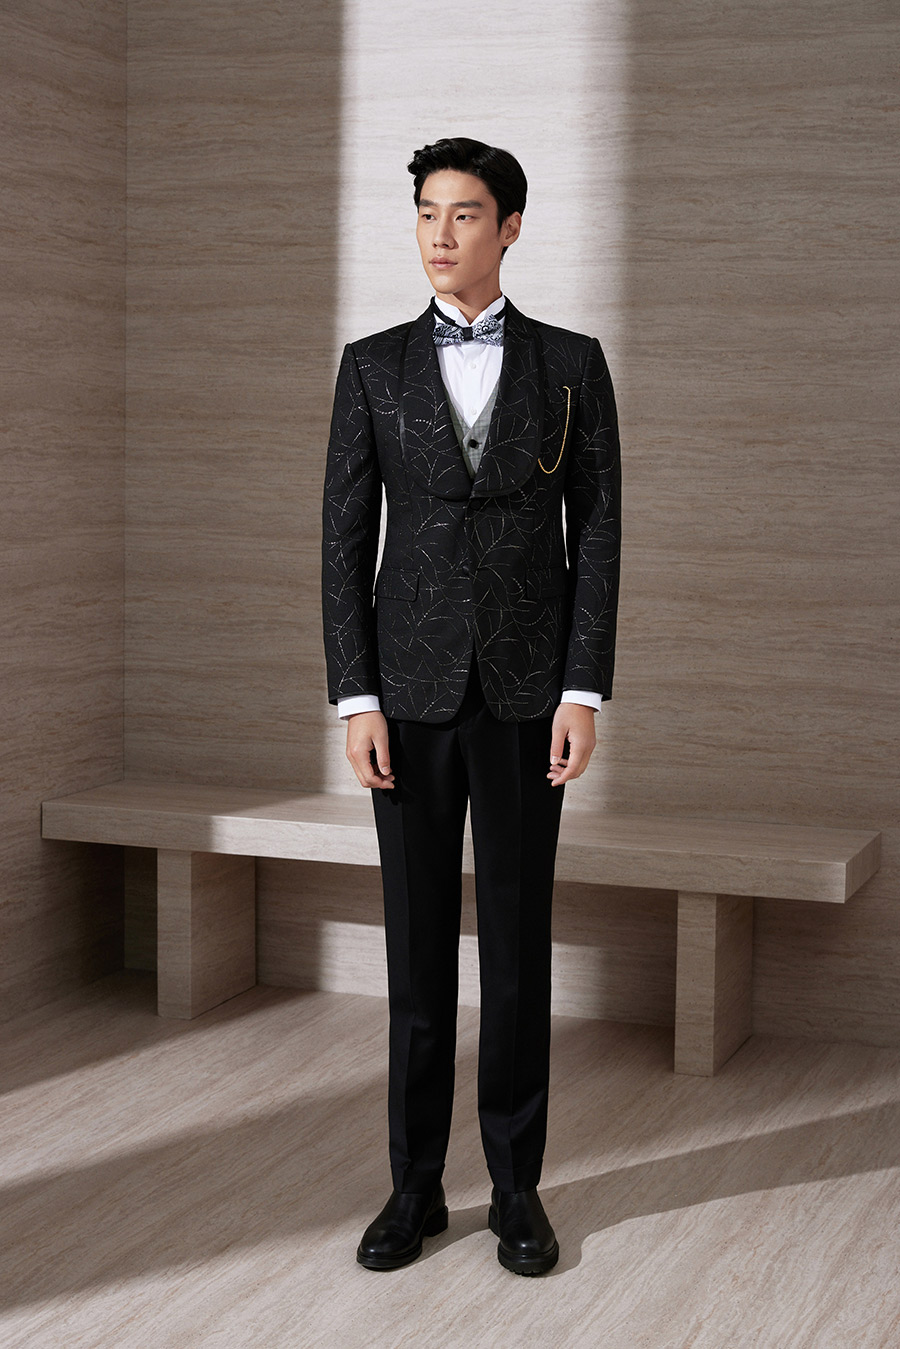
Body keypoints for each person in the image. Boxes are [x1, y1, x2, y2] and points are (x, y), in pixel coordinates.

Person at [321, 136, 620, 1275]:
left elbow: (599, 535)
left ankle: (515, 1186)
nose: (441, 233)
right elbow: (342, 541)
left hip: (529, 697)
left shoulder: (573, 365)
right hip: (405, 697)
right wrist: (356, 696)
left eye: (465, 213)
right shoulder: (370, 367)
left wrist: (583, 688)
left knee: (518, 951)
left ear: (510, 227)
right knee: (415, 955)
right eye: (427, 213)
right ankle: (413, 1187)